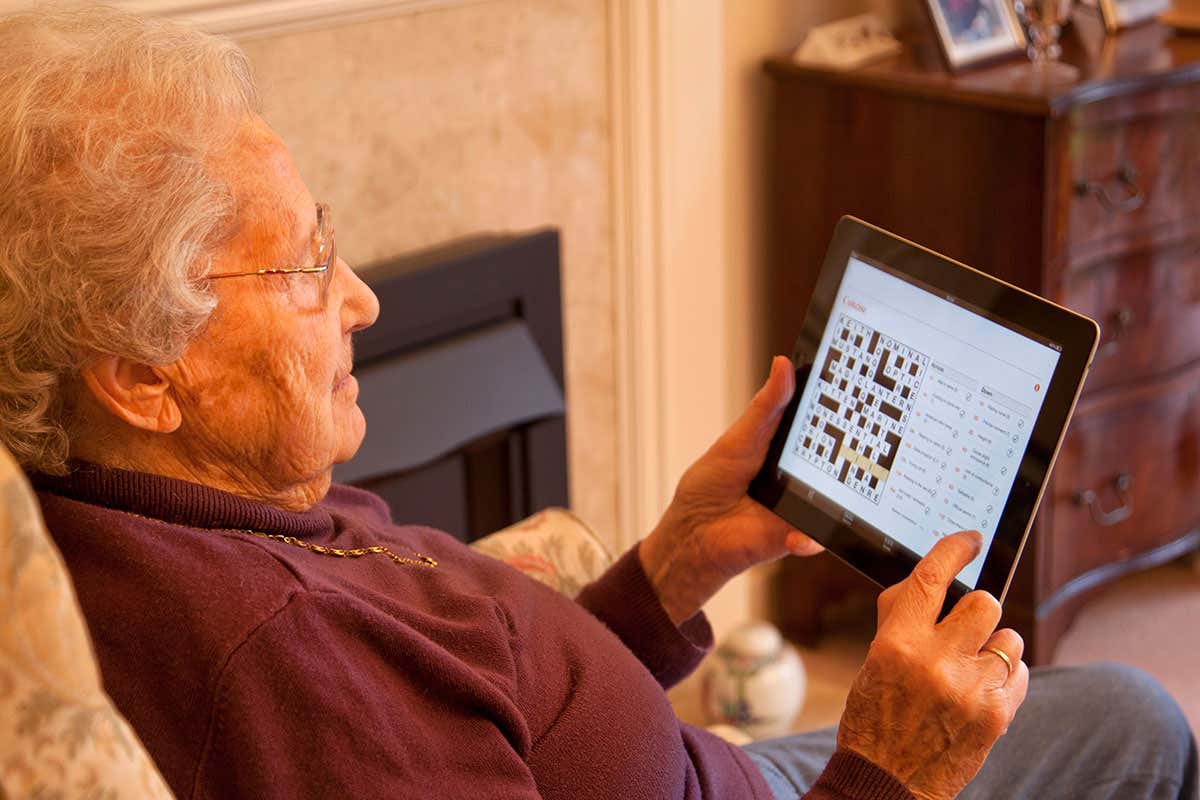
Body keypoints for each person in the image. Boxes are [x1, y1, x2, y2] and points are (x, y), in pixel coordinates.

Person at [0, 7, 1194, 800]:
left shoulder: (149, 505)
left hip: (685, 763)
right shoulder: (284, 670)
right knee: (1134, 715)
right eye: (305, 267)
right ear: (143, 376)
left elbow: (487, 712)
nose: (359, 298)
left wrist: (672, 564)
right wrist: (887, 766)